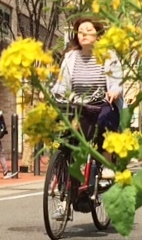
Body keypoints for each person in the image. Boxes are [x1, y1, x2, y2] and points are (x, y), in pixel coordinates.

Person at [53, 17, 123, 203]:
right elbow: (61, 84)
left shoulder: (108, 55)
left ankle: (107, 163)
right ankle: (67, 192)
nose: (82, 34)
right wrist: (53, 97)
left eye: (87, 30)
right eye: (79, 31)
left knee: (106, 119)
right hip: (78, 105)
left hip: (101, 103)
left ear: (97, 35)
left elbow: (116, 81)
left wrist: (115, 90)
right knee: (68, 141)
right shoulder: (70, 58)